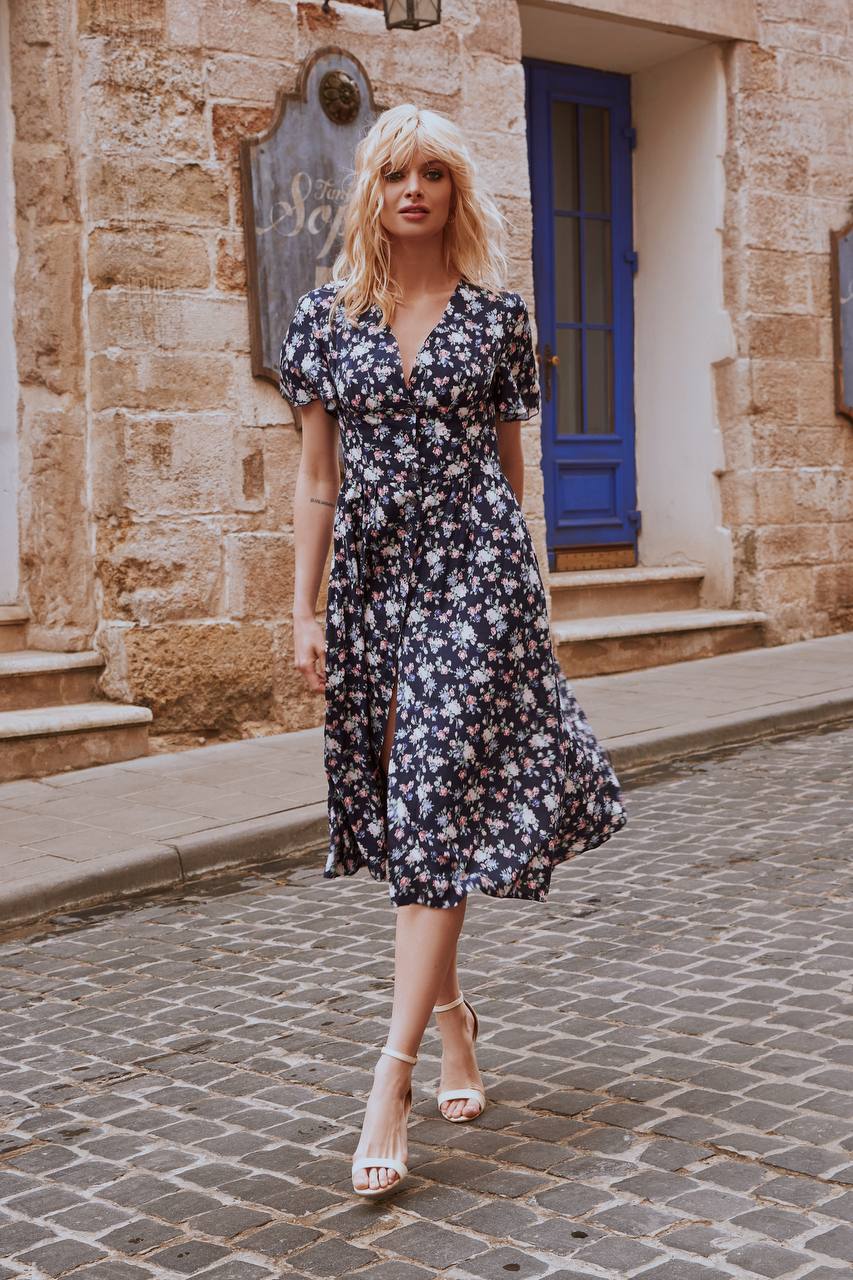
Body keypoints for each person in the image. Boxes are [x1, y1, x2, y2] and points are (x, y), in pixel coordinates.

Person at [278, 103, 628, 1200]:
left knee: (431, 797)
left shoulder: (498, 320)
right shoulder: (325, 319)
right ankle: (456, 1021)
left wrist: (519, 600)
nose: (414, 189)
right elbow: (317, 479)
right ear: (372, 194)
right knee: (416, 814)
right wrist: (304, 609)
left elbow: (511, 473)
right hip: (376, 587)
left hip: (474, 579)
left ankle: (389, 1074)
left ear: (455, 193)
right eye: (396, 173)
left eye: (433, 172)